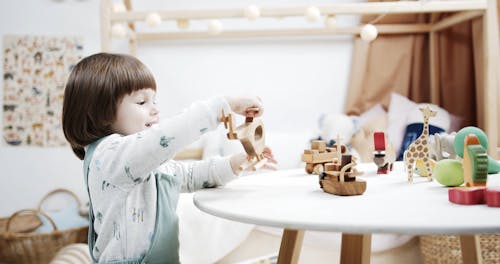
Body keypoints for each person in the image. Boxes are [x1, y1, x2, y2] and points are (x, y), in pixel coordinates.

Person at [62, 53, 276, 263]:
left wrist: (236, 163)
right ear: (101, 113)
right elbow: (166, 137)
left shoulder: (143, 163)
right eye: (142, 102)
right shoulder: (110, 155)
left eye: (154, 101)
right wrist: (223, 106)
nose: (155, 110)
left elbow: (189, 175)